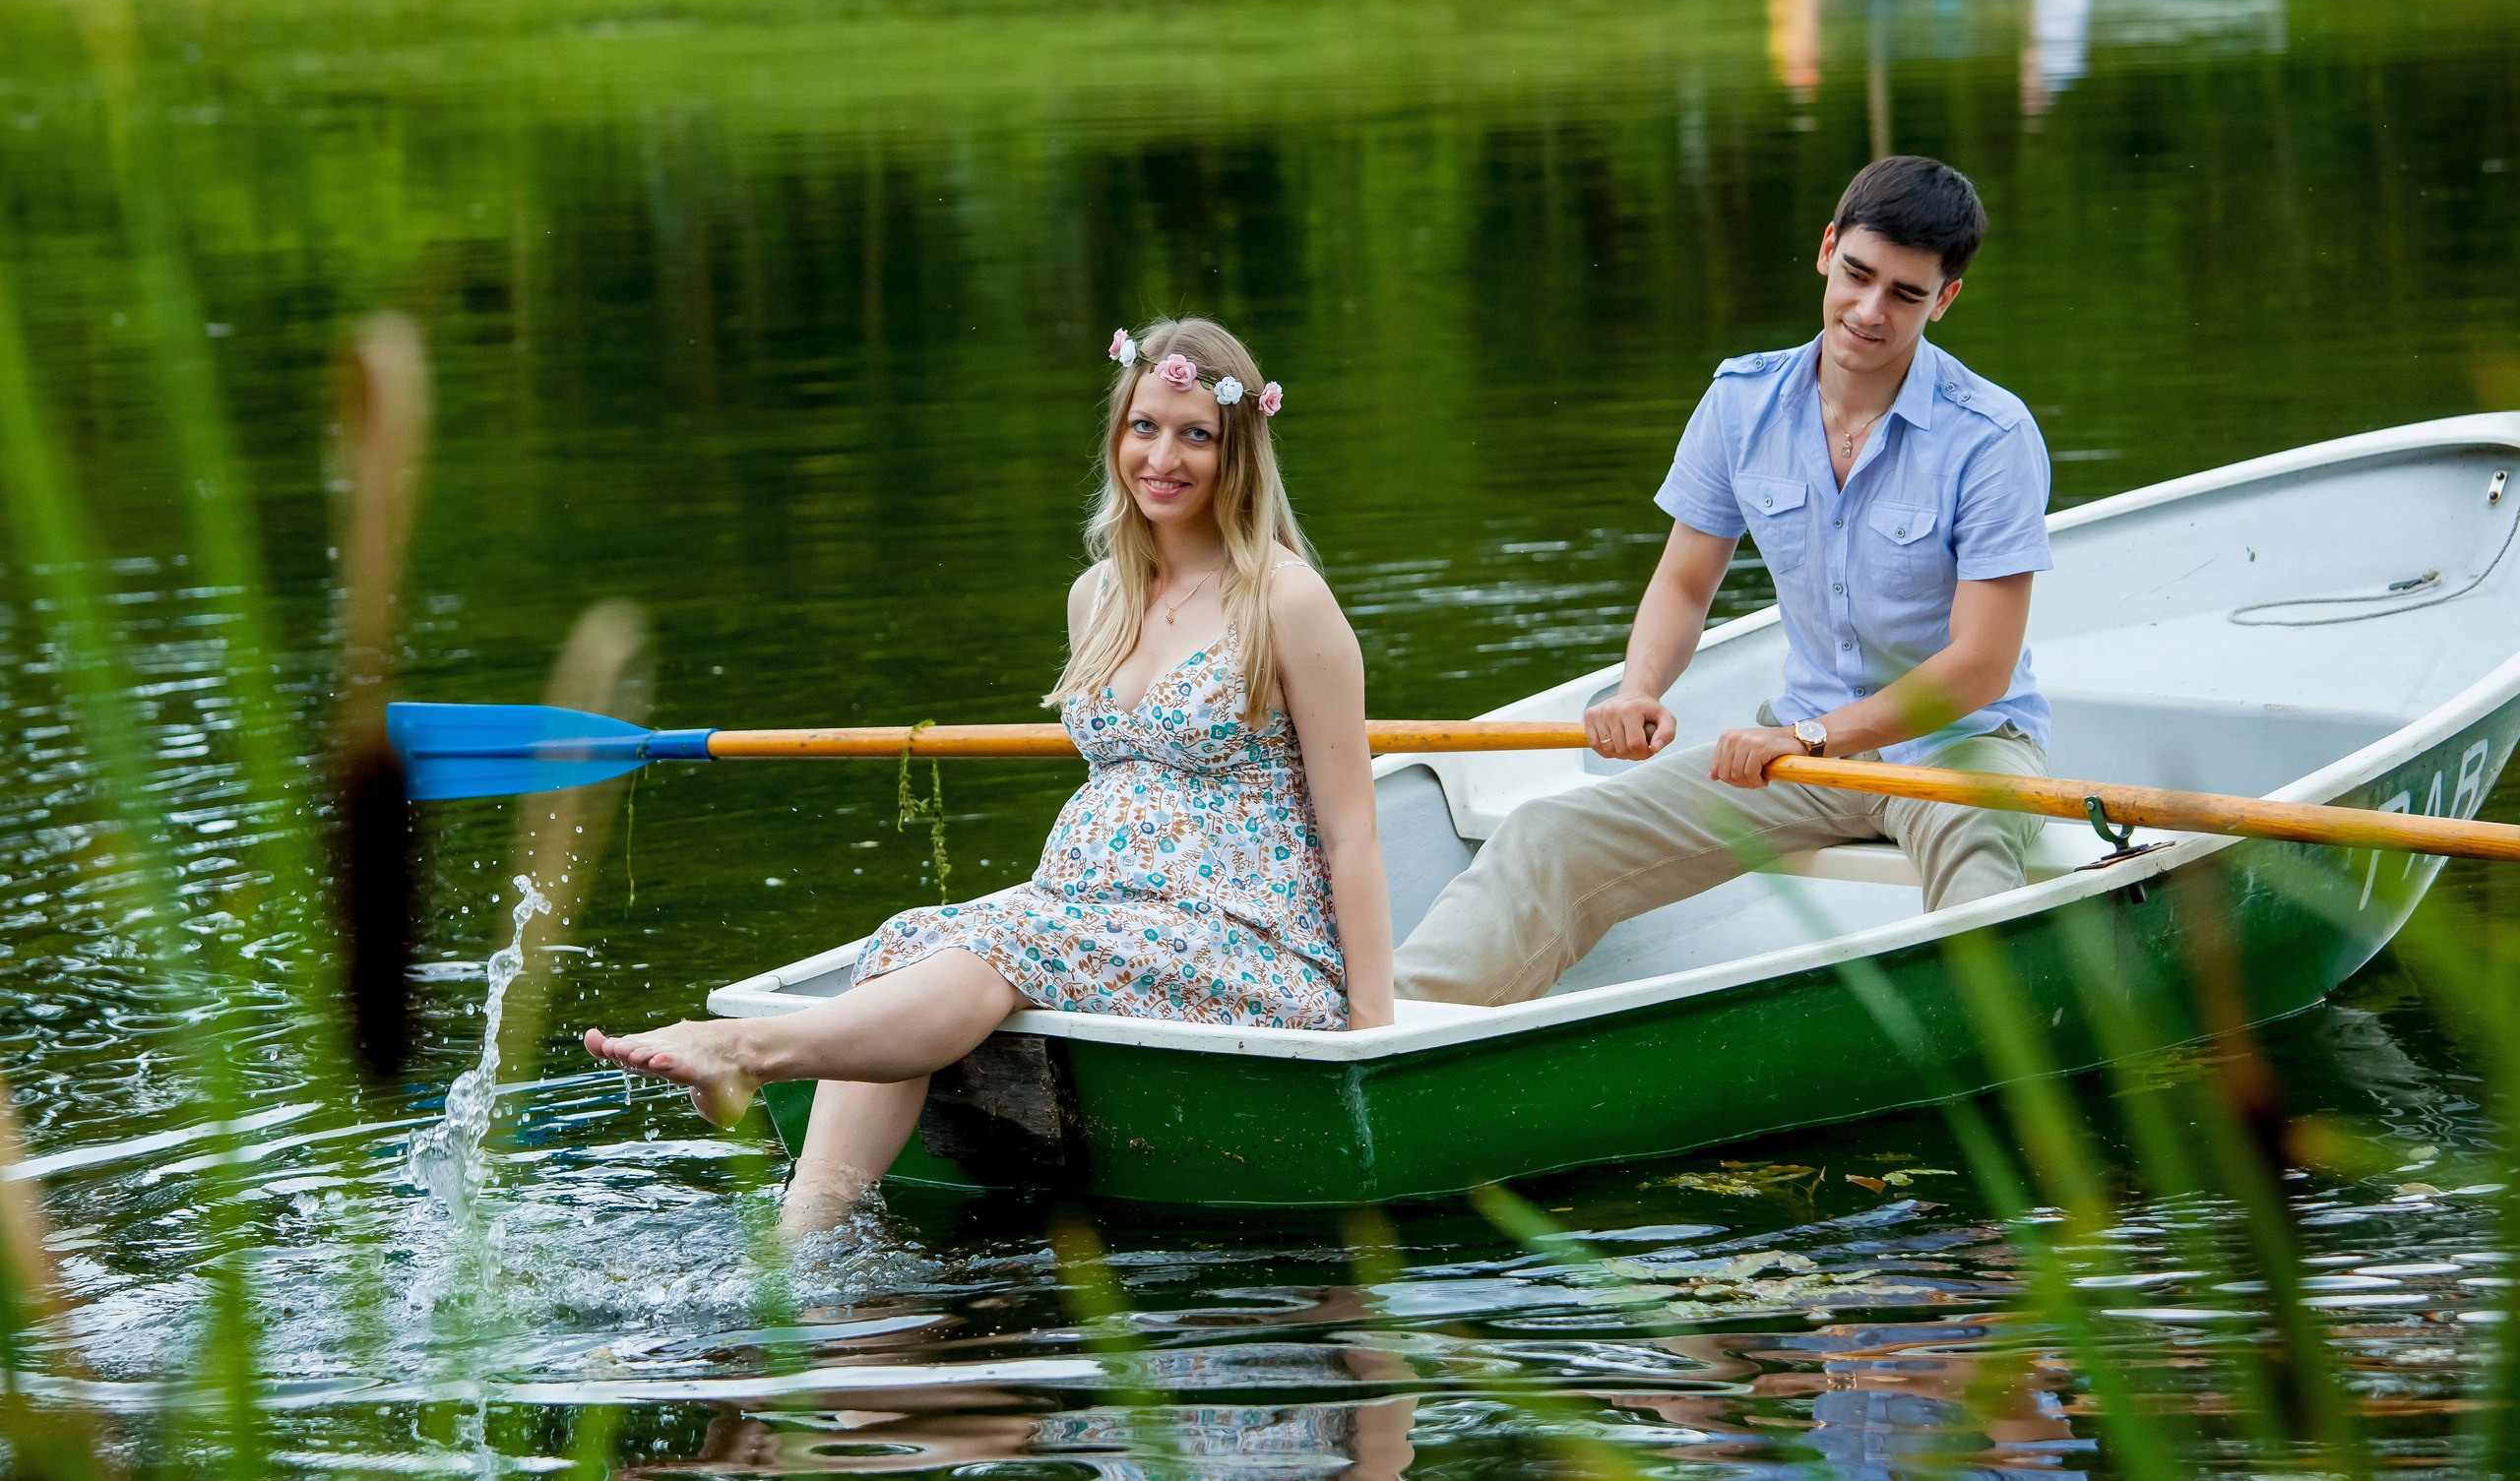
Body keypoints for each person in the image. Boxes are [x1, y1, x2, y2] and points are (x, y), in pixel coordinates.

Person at [588, 317, 1395, 1231]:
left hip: (1243, 940)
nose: (1162, 457)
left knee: (1005, 943)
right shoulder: (1096, 596)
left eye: (1195, 434)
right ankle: (800, 1239)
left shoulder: (1285, 599)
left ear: (1237, 451)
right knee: (906, 939)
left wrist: (1373, 1035)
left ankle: (750, 1051)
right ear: (1117, 433)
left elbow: (1353, 830)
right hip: (1096, 916)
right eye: (1144, 427)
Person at [1395, 155, 2053, 1008]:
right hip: (1796, 760)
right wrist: (1638, 688)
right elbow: (1682, 584)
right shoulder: (1742, 402)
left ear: (1945, 299)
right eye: (1857, 275)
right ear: (1826, 250)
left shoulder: (1993, 434)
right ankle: (1395, 1038)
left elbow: (1981, 667)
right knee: (1547, 833)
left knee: (1977, 913)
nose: (1868, 310)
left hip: (1964, 749)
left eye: (1904, 293)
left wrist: (1815, 737)